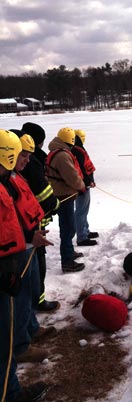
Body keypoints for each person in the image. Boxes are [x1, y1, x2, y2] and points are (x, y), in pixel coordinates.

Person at [0, 129, 49, 402]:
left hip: (13, 259)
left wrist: (30, 236)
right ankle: (10, 394)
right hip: (4, 271)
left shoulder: (6, 181)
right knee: (3, 341)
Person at [19, 122, 61, 313]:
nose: (26, 160)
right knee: (36, 266)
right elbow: (43, 194)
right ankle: (38, 301)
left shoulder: (17, 168)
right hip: (30, 228)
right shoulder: (32, 164)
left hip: (27, 228)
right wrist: (55, 204)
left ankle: (34, 305)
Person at [47, 127, 86, 273]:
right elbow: (72, 177)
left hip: (62, 194)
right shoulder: (62, 155)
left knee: (68, 227)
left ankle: (69, 252)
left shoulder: (56, 151)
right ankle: (68, 261)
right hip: (64, 195)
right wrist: (81, 186)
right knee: (68, 228)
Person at [72, 129, 98, 246]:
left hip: (83, 184)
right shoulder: (77, 150)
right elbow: (82, 169)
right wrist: (88, 182)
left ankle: (85, 231)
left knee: (83, 210)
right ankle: (82, 237)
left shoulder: (77, 148)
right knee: (81, 211)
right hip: (82, 185)